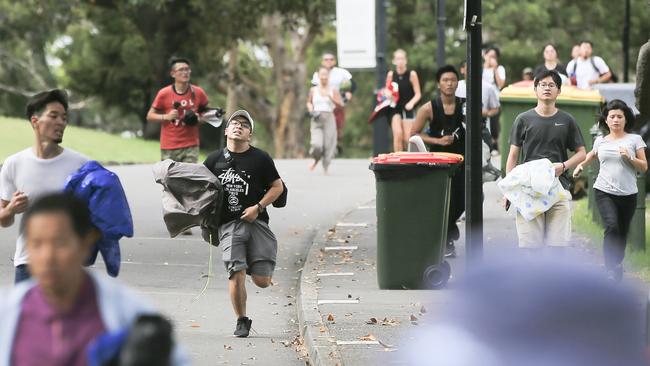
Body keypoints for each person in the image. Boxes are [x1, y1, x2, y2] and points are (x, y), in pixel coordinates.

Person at [0, 193, 188, 365]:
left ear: (87, 242)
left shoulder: (130, 314)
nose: (48, 257)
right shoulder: (7, 312)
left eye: (60, 243)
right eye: (36, 244)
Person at [203, 110, 284, 338]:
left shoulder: (261, 159)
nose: (238, 126)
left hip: (257, 223)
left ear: (249, 135)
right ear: (226, 131)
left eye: (244, 125)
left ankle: (251, 265)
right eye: (234, 123)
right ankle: (241, 320)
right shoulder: (213, 160)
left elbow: (277, 187)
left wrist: (258, 207)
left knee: (262, 281)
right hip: (228, 225)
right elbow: (198, 188)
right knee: (236, 272)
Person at [0, 89, 88, 284]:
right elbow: (3, 220)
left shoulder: (81, 165)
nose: (61, 122)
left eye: (64, 118)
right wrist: (12, 209)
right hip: (27, 264)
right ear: (35, 121)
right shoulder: (14, 163)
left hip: (68, 265)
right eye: (54, 116)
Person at [505, 70, 586, 249]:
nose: (547, 88)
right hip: (528, 189)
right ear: (535, 89)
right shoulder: (523, 119)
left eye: (551, 85)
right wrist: (509, 190)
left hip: (559, 188)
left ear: (559, 91)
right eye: (542, 84)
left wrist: (563, 166)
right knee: (530, 248)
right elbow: (513, 155)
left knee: (557, 247)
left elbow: (582, 153)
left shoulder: (567, 120)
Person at [573, 100, 647, 281]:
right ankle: (609, 268)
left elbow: (644, 166)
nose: (615, 120)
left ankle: (617, 264)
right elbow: (592, 154)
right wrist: (581, 166)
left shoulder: (634, 140)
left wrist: (630, 158)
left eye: (619, 116)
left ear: (625, 119)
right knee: (612, 226)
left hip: (628, 194)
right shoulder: (600, 140)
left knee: (621, 232)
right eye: (612, 116)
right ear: (606, 120)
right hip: (604, 191)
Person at [412, 65, 465, 257]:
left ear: (458, 82)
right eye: (445, 80)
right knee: (442, 200)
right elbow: (414, 134)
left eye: (453, 79)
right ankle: (447, 239)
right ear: (438, 84)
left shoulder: (465, 105)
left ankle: (449, 229)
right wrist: (438, 141)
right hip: (438, 163)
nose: (449, 84)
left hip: (461, 160)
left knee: (464, 199)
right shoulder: (428, 108)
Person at [146, 56, 209, 163]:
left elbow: (208, 113)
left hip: (191, 145)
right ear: (173, 74)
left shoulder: (198, 92)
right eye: (181, 70)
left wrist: (199, 118)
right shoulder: (164, 93)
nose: (185, 72)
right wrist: (167, 116)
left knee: (188, 177)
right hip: (169, 146)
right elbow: (150, 116)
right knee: (170, 178)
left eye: (187, 69)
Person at [311, 53, 354, 151]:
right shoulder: (318, 74)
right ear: (322, 62)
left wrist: (349, 92)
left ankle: (338, 143)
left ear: (334, 61)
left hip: (337, 103)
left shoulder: (341, 72)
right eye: (326, 59)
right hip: (323, 104)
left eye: (331, 59)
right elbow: (313, 89)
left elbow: (353, 84)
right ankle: (325, 147)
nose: (328, 61)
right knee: (323, 127)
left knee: (338, 127)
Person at [307, 67, 343, 173]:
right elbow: (309, 102)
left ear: (328, 76)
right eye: (321, 75)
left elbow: (340, 105)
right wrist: (310, 109)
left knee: (329, 144)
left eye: (326, 75)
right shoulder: (313, 90)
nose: (324, 77)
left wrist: (331, 98)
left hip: (329, 117)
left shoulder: (333, 90)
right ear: (318, 76)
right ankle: (316, 158)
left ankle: (325, 166)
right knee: (317, 144)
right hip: (316, 117)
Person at [386, 49, 422, 152]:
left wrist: (411, 103)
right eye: (397, 59)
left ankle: (409, 160)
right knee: (398, 134)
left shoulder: (412, 74)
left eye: (402, 58)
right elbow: (386, 91)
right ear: (394, 61)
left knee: (407, 138)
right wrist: (388, 94)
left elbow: (418, 94)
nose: (400, 61)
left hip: (408, 108)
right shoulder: (391, 75)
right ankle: (398, 162)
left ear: (405, 60)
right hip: (395, 108)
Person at [483, 46, 506, 152]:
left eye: (494, 56)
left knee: (494, 122)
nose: (491, 58)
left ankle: (494, 144)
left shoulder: (500, 69)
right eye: (489, 56)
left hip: (495, 99)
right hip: (483, 99)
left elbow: (501, 84)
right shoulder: (481, 68)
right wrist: (485, 65)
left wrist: (495, 69)